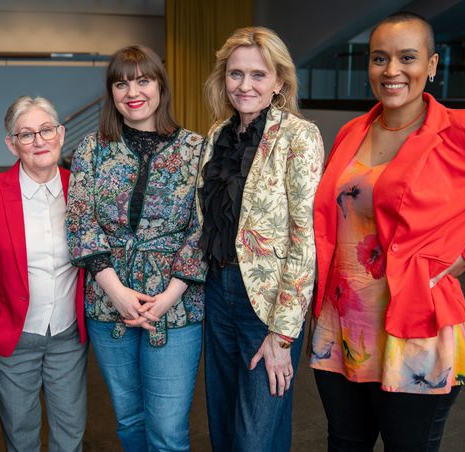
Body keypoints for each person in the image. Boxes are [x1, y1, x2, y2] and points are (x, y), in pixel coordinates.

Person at [311, 12, 465, 452]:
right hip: (341, 323)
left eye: (407, 57)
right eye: (380, 58)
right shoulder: (352, 130)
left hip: (413, 329)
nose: (392, 70)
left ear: (433, 65)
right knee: (345, 443)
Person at [66, 45, 206, 452]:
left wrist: (167, 298)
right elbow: (80, 223)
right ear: (111, 92)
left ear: (160, 85)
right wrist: (118, 293)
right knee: (128, 420)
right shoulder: (92, 148)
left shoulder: (195, 150)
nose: (133, 91)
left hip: (177, 306)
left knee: (167, 430)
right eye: (121, 82)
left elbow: (202, 229)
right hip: (109, 303)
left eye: (143, 80)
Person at [198, 26, 324, 451]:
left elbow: (304, 240)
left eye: (258, 74)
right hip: (217, 291)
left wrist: (283, 334)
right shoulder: (216, 135)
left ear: (279, 82)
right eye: (236, 74)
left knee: (256, 434)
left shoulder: (298, 137)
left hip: (267, 305)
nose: (245, 85)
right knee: (223, 422)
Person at [0, 96, 87, 452]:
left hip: (68, 335)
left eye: (46, 130)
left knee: (71, 432)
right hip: (10, 336)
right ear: (11, 143)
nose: (39, 141)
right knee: (20, 435)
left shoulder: (81, 187)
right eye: (26, 134)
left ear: (61, 134)